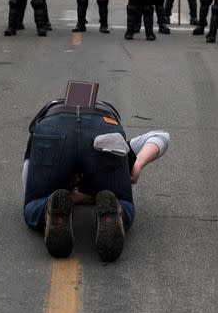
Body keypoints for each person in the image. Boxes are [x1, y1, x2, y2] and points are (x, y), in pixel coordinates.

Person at [23, 96, 170, 261]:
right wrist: (137, 165)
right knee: (124, 203)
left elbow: (27, 183)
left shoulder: (40, 138)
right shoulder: (119, 148)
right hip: (105, 129)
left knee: (34, 203)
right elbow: (161, 136)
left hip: (52, 126)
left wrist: (72, 197)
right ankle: (116, 213)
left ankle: (48, 209)